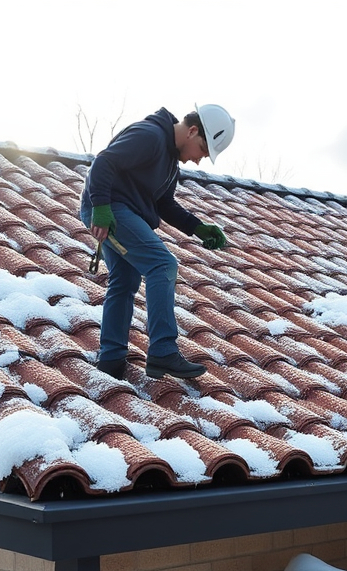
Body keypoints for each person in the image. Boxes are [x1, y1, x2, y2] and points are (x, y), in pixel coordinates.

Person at [79, 104, 235, 379]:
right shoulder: (150, 135)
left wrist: (197, 228)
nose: (199, 160)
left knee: (125, 281)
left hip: (119, 211)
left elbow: (164, 204)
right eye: (203, 150)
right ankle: (163, 351)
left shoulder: (169, 163)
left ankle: (111, 360)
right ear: (193, 131)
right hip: (109, 208)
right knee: (162, 265)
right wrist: (101, 208)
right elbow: (104, 162)